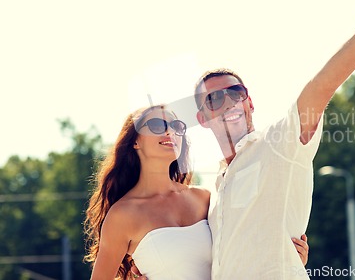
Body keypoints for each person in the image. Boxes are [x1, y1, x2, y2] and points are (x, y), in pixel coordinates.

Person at [194, 0, 355, 280]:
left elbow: (322, 85)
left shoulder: (279, 143)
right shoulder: (216, 189)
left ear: (249, 101)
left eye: (235, 92)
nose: (228, 102)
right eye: (214, 99)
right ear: (203, 118)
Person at [84, 104, 309, 280]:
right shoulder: (122, 215)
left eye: (176, 126)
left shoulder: (205, 198)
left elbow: (246, 241)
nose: (170, 132)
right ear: (135, 142)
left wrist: (287, 255)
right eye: (156, 125)